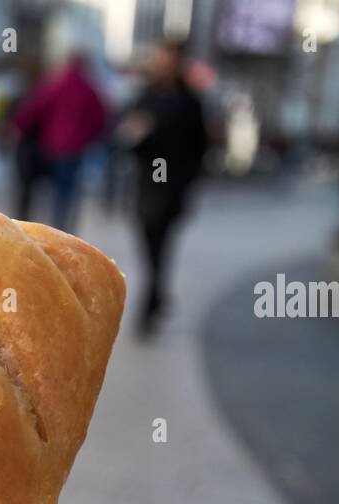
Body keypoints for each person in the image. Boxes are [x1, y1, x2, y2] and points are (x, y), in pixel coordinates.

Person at [118, 41, 208, 338]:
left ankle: (150, 304)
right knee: (148, 240)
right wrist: (136, 135)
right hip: (147, 181)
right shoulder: (146, 96)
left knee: (162, 242)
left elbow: (200, 148)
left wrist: (191, 186)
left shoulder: (190, 102)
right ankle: (157, 293)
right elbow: (129, 135)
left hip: (174, 184)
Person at [11, 53, 106, 233]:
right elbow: (100, 118)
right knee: (67, 192)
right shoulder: (89, 88)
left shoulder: (55, 83)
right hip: (75, 149)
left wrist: (19, 127)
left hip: (52, 146)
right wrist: (88, 138)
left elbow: (35, 108)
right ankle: (63, 228)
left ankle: (50, 229)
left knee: (50, 190)